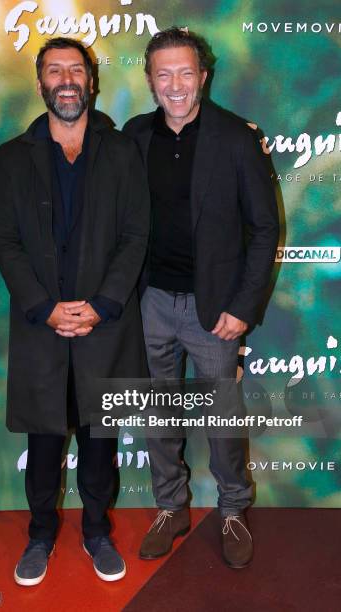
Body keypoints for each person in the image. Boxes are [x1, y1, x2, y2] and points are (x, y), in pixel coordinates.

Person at [0, 37, 149, 585]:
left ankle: (98, 531)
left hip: (107, 325)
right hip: (41, 328)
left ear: (92, 81)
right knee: (44, 440)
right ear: (41, 85)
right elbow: (4, 241)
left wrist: (101, 306)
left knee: (101, 440)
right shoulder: (12, 157)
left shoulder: (123, 151)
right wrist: (44, 308)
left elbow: (135, 235)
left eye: (75, 70)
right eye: (54, 70)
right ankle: (40, 534)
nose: (66, 79)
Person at [124, 27, 279, 568]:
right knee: (159, 415)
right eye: (163, 74)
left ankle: (233, 509)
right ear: (149, 80)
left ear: (203, 76)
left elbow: (265, 229)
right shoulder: (135, 135)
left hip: (216, 308)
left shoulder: (236, 137)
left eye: (185, 73)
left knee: (223, 420)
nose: (175, 85)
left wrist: (243, 306)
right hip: (151, 304)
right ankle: (171, 507)